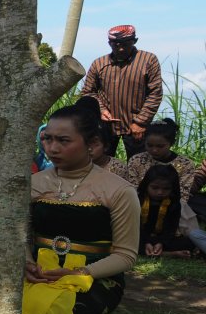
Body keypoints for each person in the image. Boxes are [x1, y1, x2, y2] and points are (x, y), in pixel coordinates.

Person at [24, 98, 140, 314]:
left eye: (63, 140)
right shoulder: (32, 184)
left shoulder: (118, 190)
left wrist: (80, 273)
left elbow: (125, 255)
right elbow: (20, 234)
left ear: (93, 143)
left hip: (93, 277)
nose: (52, 148)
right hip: (39, 273)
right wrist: (27, 263)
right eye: (48, 138)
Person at [121, 118, 206, 256]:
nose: (154, 150)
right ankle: (163, 249)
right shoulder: (136, 160)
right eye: (149, 145)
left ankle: (160, 245)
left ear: (171, 143)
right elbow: (134, 190)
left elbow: (182, 196)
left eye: (160, 146)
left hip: (173, 207)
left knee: (189, 233)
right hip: (141, 205)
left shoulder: (185, 164)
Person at [80, 24, 162, 159]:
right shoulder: (99, 63)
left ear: (135, 41)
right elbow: (88, 92)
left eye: (126, 44)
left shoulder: (148, 60)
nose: (121, 48)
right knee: (102, 165)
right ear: (109, 43)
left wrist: (141, 122)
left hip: (135, 126)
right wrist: (101, 110)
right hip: (106, 126)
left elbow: (155, 93)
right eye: (116, 44)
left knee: (139, 166)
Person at [137, 164, 196, 258]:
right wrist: (146, 242)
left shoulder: (174, 203)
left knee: (189, 242)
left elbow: (171, 229)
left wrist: (161, 243)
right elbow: (135, 226)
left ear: (173, 188)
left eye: (166, 189)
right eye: (155, 188)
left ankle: (156, 251)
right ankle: (169, 254)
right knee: (127, 242)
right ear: (146, 185)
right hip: (140, 237)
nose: (160, 192)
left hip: (161, 239)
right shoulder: (138, 200)